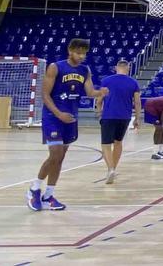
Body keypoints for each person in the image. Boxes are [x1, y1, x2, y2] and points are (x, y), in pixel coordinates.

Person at [28, 38, 106, 211]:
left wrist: (101, 92)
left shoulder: (85, 70)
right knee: (55, 154)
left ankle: (48, 195)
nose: (81, 56)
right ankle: (34, 189)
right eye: (78, 52)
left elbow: (90, 92)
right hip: (53, 116)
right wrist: (58, 114)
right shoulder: (55, 67)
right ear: (70, 51)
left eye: (84, 53)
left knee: (60, 158)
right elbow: (45, 95)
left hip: (71, 117)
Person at [96, 59, 141, 184]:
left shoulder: (106, 80)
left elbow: (99, 100)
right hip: (125, 117)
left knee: (105, 145)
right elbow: (137, 102)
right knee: (118, 142)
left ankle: (110, 169)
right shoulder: (133, 83)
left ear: (116, 68)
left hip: (108, 116)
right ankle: (113, 168)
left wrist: (99, 113)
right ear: (128, 68)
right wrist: (137, 118)